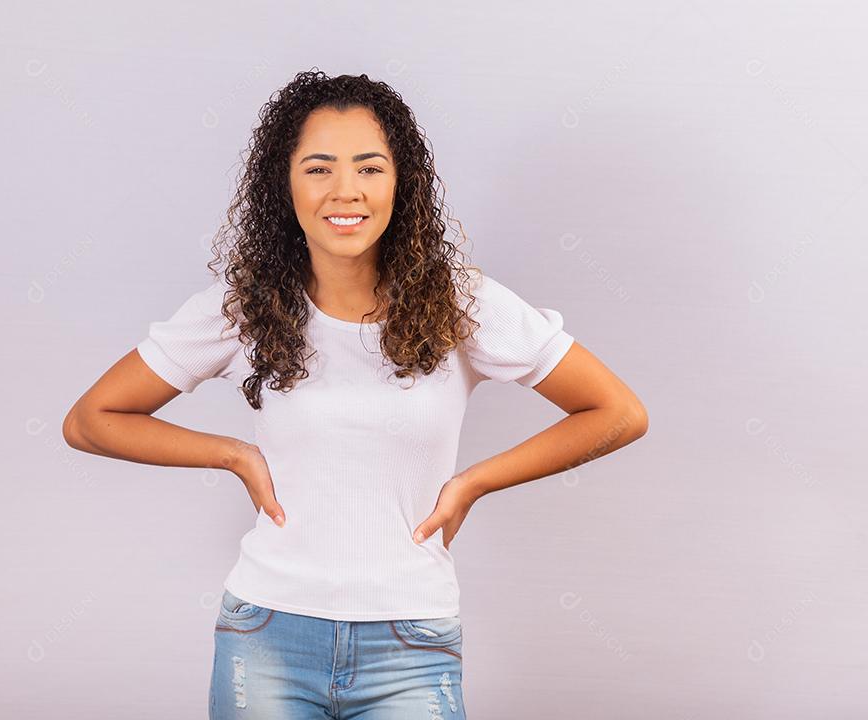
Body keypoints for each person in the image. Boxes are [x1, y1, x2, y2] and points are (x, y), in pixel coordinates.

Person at [63, 69, 648, 719]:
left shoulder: (461, 303)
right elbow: (92, 419)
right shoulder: (243, 311)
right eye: (319, 168)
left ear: (402, 183)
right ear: (283, 185)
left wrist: (473, 483)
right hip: (266, 638)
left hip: (412, 641)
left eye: (370, 168)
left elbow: (617, 413)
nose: (346, 191)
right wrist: (233, 455)